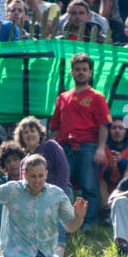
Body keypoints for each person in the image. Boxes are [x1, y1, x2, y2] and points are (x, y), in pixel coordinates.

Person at [50, 52, 110, 225]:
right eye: (77, 69)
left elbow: (104, 125)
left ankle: (88, 224)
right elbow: (54, 127)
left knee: (89, 187)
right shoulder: (63, 97)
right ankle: (64, 223)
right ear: (72, 72)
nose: (81, 72)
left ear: (90, 73)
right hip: (64, 148)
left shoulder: (97, 97)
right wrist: (51, 149)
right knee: (62, 186)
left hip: (88, 147)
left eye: (85, 69)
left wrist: (100, 148)